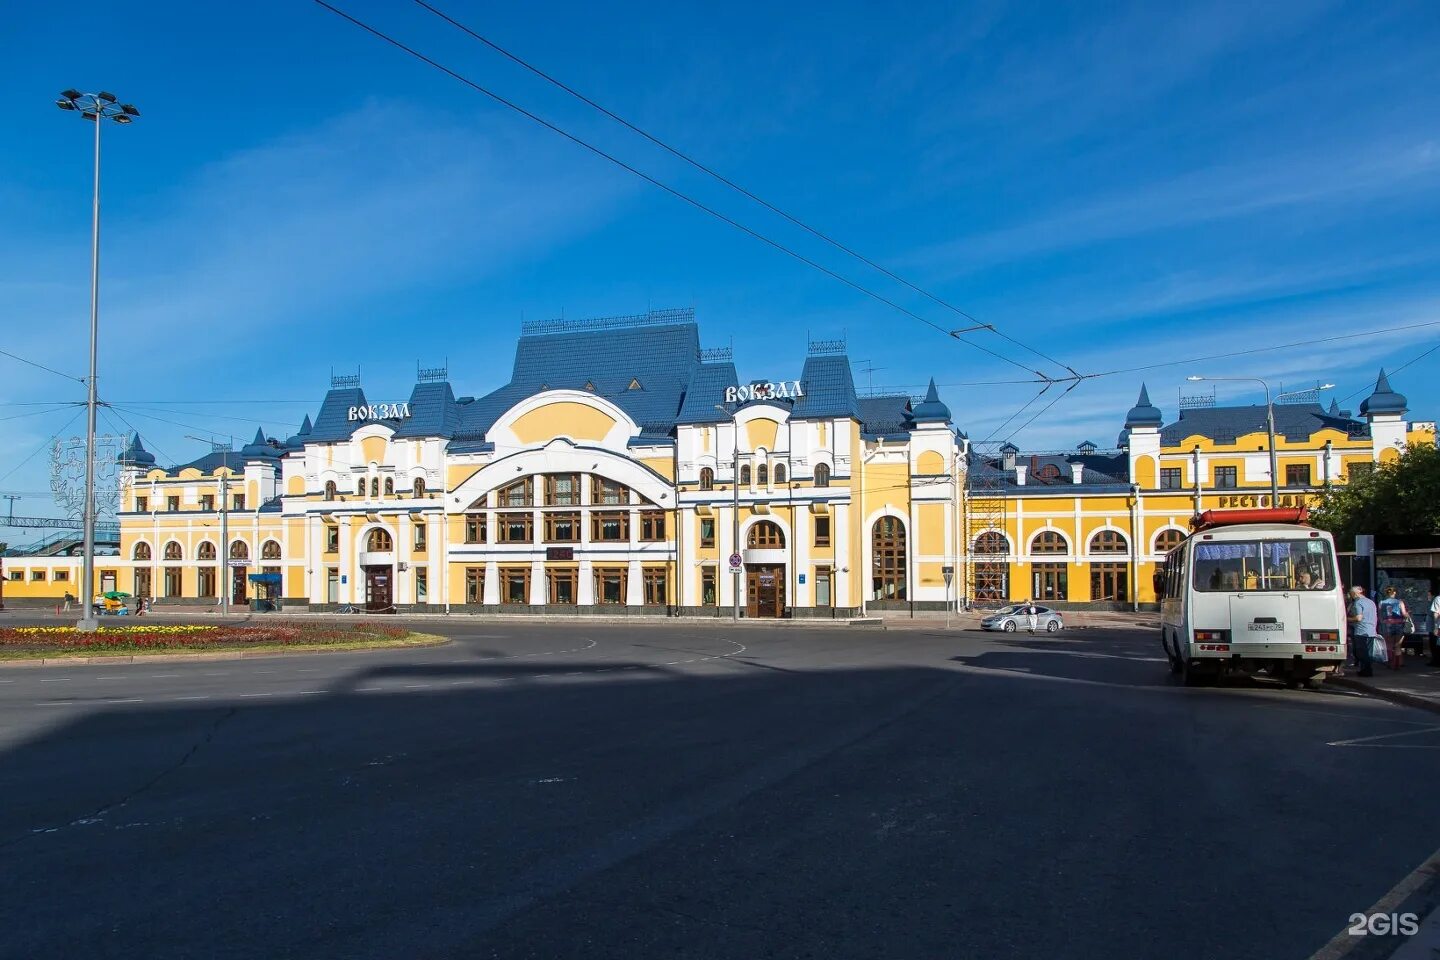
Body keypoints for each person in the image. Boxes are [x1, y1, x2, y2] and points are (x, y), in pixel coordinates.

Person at [1348, 585, 1380, 678]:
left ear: (1354, 593)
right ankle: (1366, 670)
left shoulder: (1358, 603)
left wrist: (1347, 619)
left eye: (1351, 593)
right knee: (1369, 652)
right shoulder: (1371, 602)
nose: (1351, 595)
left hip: (1361, 631)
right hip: (1371, 630)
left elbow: (1358, 618)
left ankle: (1366, 671)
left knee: (1361, 653)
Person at [1377, 586, 1408, 670]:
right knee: (1398, 645)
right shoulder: (1400, 602)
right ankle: (1398, 663)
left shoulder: (1382, 602)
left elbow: (1379, 615)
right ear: (1394, 592)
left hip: (1387, 625)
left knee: (1389, 645)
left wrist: (1382, 621)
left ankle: (1390, 663)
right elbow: (1404, 613)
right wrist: (1407, 616)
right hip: (1399, 624)